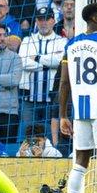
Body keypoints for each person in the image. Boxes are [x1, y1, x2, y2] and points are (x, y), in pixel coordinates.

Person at [59, 3, 97, 193]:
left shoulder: (71, 44)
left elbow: (64, 82)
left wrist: (62, 115)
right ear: (93, 18)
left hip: (80, 111)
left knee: (80, 160)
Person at [18, 7, 67, 137]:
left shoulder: (61, 41)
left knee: (49, 135)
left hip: (51, 97)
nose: (43, 22)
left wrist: (37, 58)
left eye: (47, 19)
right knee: (27, 135)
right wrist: (47, 66)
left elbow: (59, 61)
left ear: (53, 20)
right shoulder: (27, 40)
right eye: (40, 19)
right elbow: (22, 62)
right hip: (29, 96)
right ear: (36, 21)